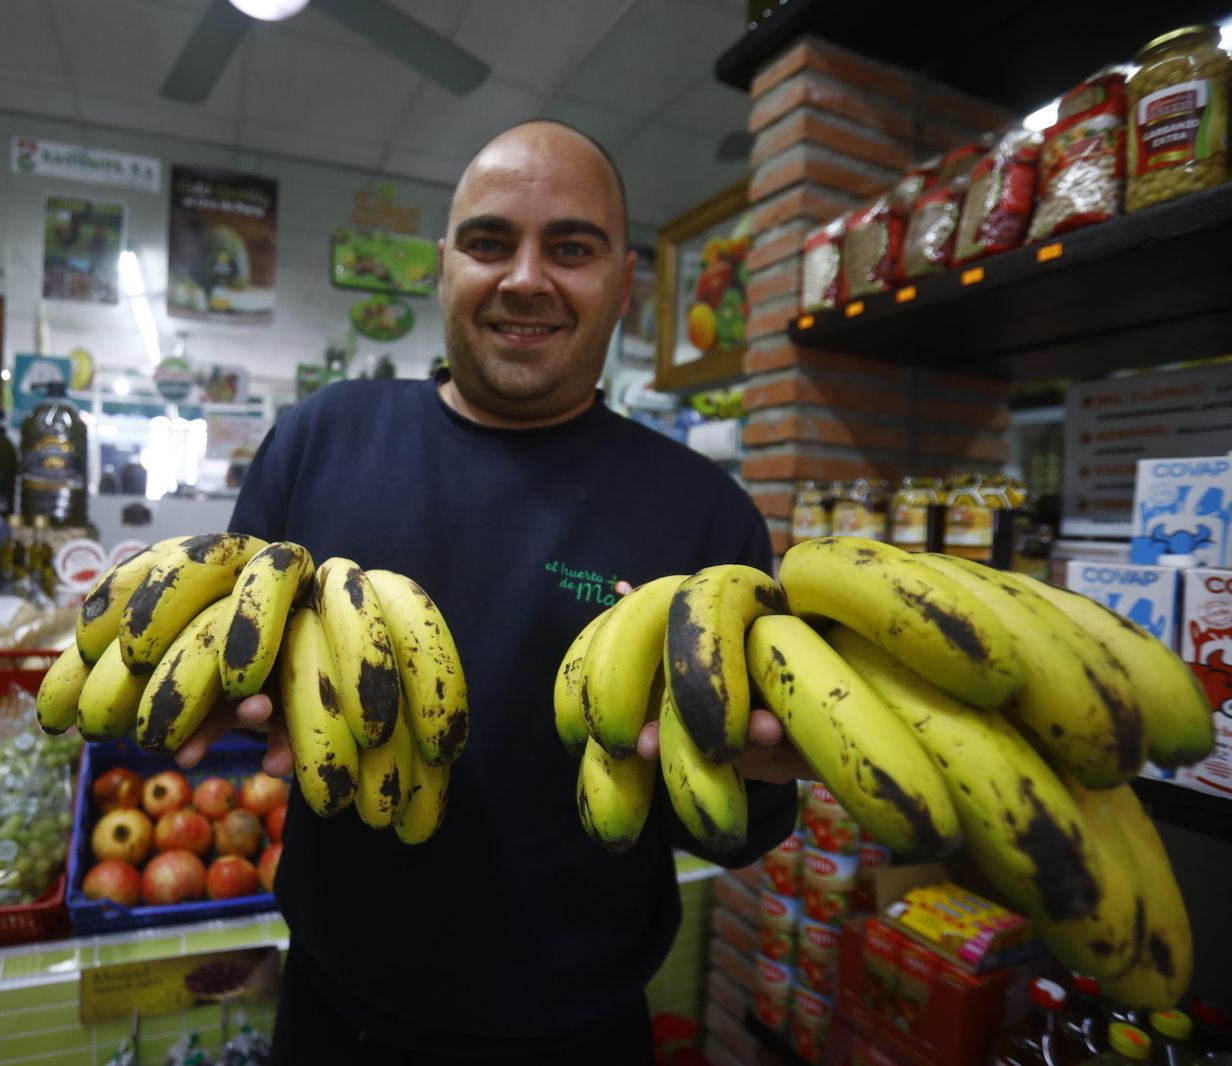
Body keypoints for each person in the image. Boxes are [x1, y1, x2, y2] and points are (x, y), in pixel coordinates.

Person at [176, 120, 806, 1064]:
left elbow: (735, 833)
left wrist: (752, 777)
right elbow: (240, 672)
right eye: (488, 241)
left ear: (625, 281)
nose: (524, 277)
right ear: (443, 267)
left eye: (571, 248)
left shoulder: (706, 519)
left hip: (580, 1036)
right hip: (331, 1014)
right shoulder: (320, 439)